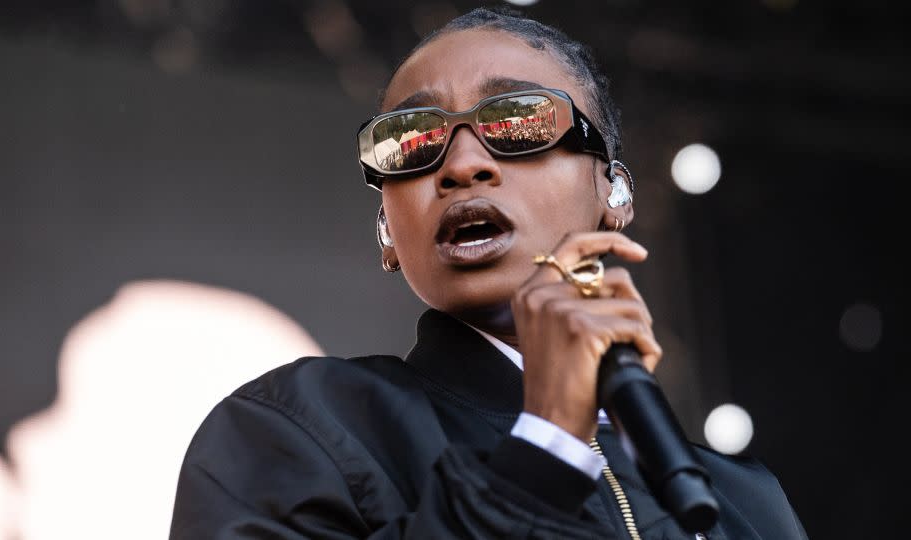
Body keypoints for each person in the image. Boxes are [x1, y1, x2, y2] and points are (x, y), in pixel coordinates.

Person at [169, 7, 808, 539]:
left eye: (518, 120)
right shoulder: (295, 430)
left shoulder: (744, 500)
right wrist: (543, 451)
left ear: (614, 190)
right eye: (413, 142)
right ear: (388, 228)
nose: (463, 164)